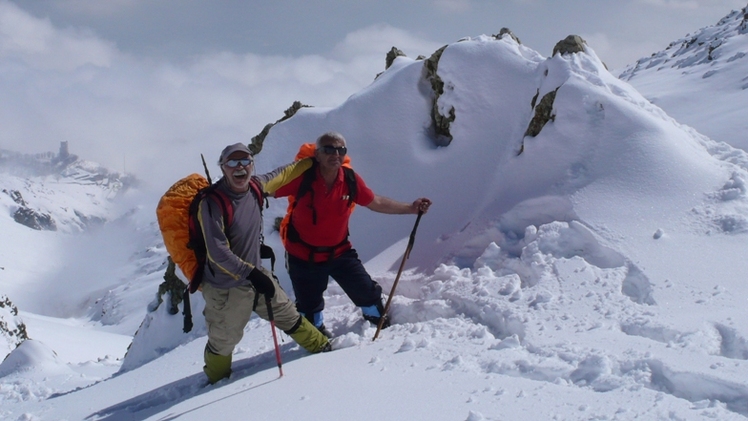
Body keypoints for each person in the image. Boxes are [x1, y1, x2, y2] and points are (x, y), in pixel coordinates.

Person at [274, 132, 432, 338]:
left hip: (339, 252)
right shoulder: (302, 178)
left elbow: (376, 202)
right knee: (309, 310)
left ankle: (381, 330)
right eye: (328, 150)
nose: (335, 154)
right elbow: (267, 189)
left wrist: (410, 208)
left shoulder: (349, 179)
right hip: (303, 256)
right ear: (317, 155)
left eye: (341, 150)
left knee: (369, 295)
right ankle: (316, 343)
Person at [198, 143, 331, 384]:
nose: (239, 167)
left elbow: (285, 173)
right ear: (223, 167)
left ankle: (325, 350)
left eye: (245, 161)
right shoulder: (212, 203)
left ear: (252, 164)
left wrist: (313, 159)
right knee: (224, 340)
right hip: (226, 287)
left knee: (288, 315)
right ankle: (214, 381)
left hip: (255, 276)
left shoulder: (256, 187)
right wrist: (251, 273)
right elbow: (217, 251)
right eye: (232, 162)